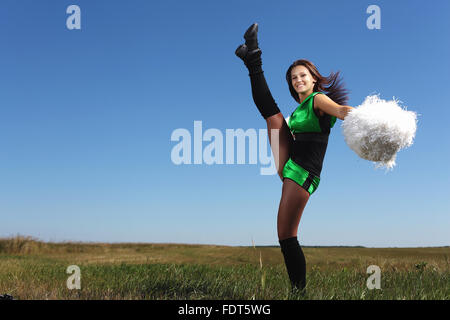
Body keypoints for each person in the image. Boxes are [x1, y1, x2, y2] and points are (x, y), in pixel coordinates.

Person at [235, 23, 354, 294]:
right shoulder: (301, 107)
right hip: (291, 164)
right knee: (271, 114)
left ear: (313, 78)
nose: (297, 80)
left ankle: (298, 292)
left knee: (286, 235)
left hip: (303, 172)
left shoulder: (318, 100)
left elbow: (341, 110)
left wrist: (370, 117)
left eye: (302, 75)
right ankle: (252, 59)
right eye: (293, 78)